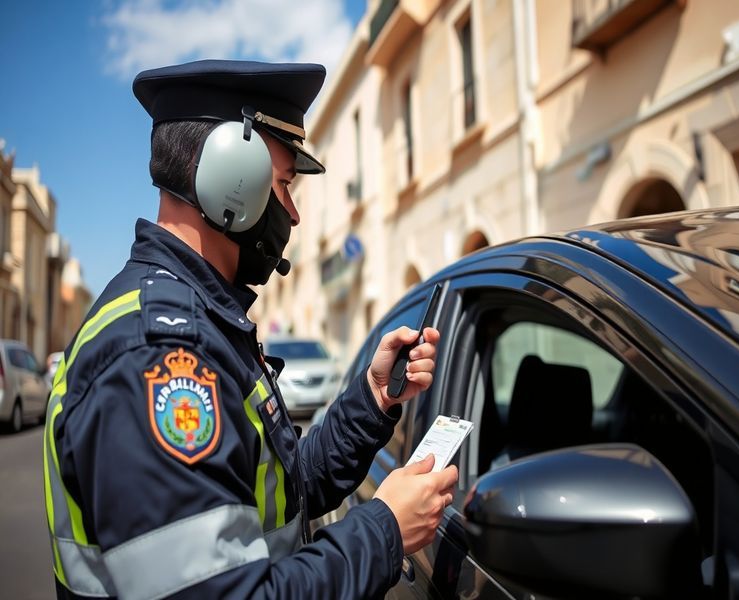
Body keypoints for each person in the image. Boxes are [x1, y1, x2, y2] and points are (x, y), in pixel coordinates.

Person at [43, 59, 458, 599]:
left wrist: (373, 399)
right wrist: (386, 530)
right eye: (284, 185)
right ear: (230, 178)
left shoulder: (198, 320)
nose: (293, 214)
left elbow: (283, 492)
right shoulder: (159, 352)